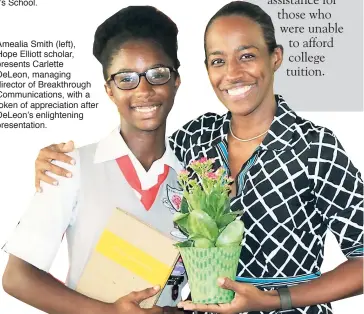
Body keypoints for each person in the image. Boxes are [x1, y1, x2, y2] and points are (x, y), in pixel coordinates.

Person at [31, 1, 364, 314]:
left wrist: (273, 300)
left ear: (274, 57)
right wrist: (58, 161)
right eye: (218, 60)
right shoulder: (195, 138)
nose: (232, 73)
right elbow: (134, 166)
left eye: (246, 56)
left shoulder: (314, 147)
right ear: (206, 69)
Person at [1, 6, 189, 314]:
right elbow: (17, 277)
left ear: (175, 82)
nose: (144, 90)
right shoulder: (69, 167)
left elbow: (188, 288)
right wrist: (110, 312)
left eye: (157, 74)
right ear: (109, 90)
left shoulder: (193, 183)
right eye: (126, 78)